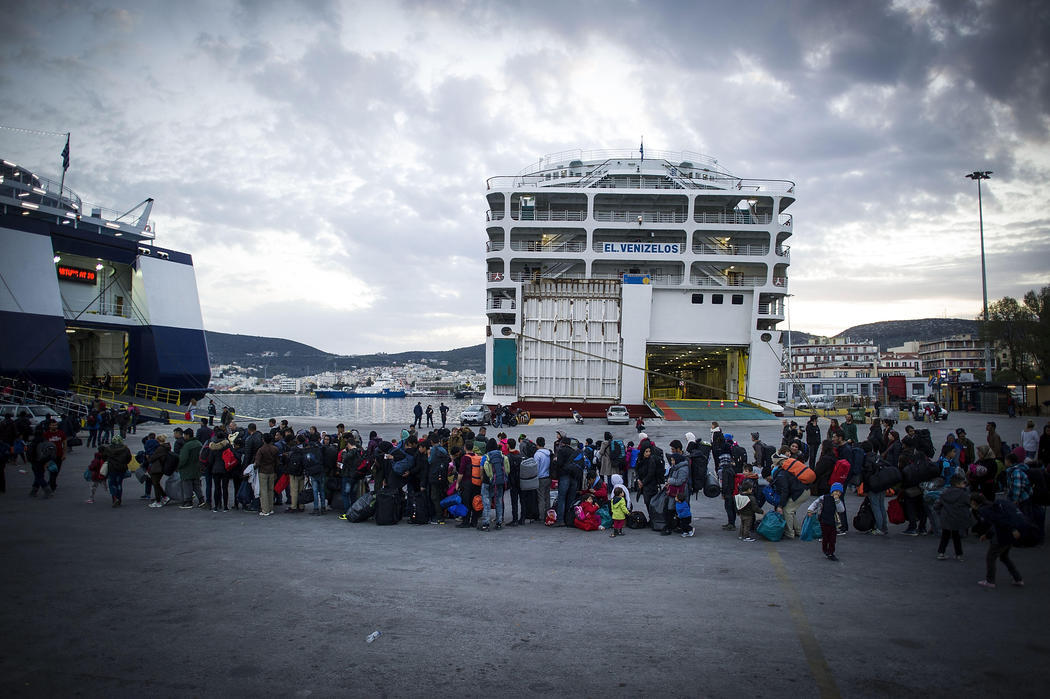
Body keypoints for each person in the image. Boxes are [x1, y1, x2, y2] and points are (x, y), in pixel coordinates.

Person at [972, 494, 1024, 589]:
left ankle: (990, 580)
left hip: (1002, 536)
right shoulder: (992, 505)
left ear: (974, 502)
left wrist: (1011, 529)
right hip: (1009, 535)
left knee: (991, 557)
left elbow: (998, 521)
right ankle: (1017, 578)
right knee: (1004, 557)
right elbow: (997, 522)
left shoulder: (984, 510)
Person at [934, 474, 972, 560]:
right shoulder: (963, 494)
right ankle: (958, 554)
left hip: (946, 517)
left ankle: (941, 552)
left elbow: (937, 504)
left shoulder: (945, 492)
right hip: (957, 517)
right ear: (958, 484)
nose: (965, 484)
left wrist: (940, 512)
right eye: (963, 483)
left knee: (945, 535)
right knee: (956, 536)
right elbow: (968, 503)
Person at [806, 482, 845, 561]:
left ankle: (831, 552)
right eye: (836, 491)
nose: (837, 493)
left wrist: (837, 500)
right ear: (832, 491)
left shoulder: (838, 501)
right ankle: (825, 549)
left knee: (832, 539)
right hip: (824, 521)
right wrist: (810, 510)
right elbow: (815, 503)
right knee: (825, 537)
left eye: (839, 492)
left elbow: (841, 510)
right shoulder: (824, 498)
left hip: (833, 522)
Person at [177, 429, 204, 508]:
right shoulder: (199, 443)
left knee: (187, 485)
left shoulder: (187, 445)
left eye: (185, 435)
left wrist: (179, 466)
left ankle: (188, 502)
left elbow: (183, 459)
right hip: (197, 468)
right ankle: (201, 500)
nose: (184, 437)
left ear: (188, 435)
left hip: (187, 469)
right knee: (196, 485)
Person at [103, 435, 132, 507]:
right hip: (122, 468)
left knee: (112, 483)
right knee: (119, 483)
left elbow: (104, 457)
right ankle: (119, 499)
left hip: (112, 468)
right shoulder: (125, 448)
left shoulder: (108, 448)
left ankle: (114, 498)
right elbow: (129, 458)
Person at [145, 434, 172, 508]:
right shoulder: (166, 447)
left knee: (155, 484)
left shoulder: (160, 449)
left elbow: (152, 458)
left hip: (157, 468)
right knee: (156, 483)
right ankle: (164, 497)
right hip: (161, 468)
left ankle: (158, 501)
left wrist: (148, 457)